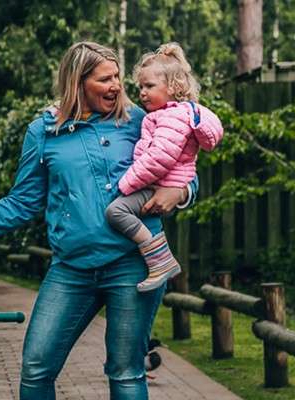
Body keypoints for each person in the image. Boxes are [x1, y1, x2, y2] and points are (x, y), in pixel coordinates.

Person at [0, 41, 197, 399]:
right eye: (105, 79)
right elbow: (23, 202)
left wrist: (179, 193)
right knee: (36, 366)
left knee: (126, 372)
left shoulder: (141, 120)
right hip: (72, 268)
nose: (117, 86)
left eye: (117, 76)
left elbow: (183, 168)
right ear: (78, 82)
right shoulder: (43, 132)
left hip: (134, 265)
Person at [106, 42, 223, 292]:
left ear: (172, 87)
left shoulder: (172, 117)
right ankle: (160, 259)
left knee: (116, 212)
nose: (142, 93)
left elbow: (159, 158)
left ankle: (160, 259)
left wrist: (125, 185)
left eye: (149, 86)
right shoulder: (165, 114)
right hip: (159, 183)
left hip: (160, 184)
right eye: (140, 87)